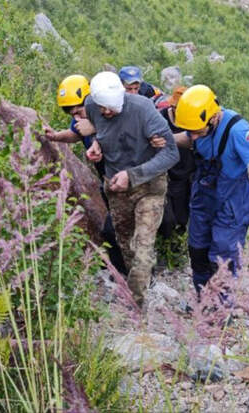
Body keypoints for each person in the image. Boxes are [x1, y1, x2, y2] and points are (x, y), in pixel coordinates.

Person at [172, 85, 249, 293]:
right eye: (190, 132)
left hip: (231, 206)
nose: (193, 137)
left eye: (197, 132)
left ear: (213, 118)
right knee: (197, 252)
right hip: (203, 199)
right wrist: (167, 139)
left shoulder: (237, 131)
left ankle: (220, 308)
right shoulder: (197, 125)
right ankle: (202, 302)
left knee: (222, 262)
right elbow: (189, 137)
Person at [84, 71, 179, 307]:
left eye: (110, 109)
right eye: (102, 107)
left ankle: (136, 305)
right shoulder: (92, 106)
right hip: (116, 186)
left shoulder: (143, 109)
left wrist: (132, 175)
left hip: (149, 185)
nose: (105, 112)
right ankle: (139, 286)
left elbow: (171, 153)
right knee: (126, 245)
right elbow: (102, 131)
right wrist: (97, 145)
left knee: (143, 246)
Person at [43, 74, 127, 275]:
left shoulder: (110, 115)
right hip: (107, 180)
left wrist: (96, 129)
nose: (76, 117)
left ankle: (130, 273)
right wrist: (55, 136)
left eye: (78, 110)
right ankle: (122, 272)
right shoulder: (82, 121)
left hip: (125, 179)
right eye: (69, 112)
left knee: (114, 229)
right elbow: (75, 134)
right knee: (114, 228)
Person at [157, 86, 195, 238]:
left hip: (187, 174)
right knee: (168, 219)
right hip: (166, 174)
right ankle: (165, 242)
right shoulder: (160, 119)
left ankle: (176, 244)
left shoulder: (193, 121)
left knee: (183, 217)